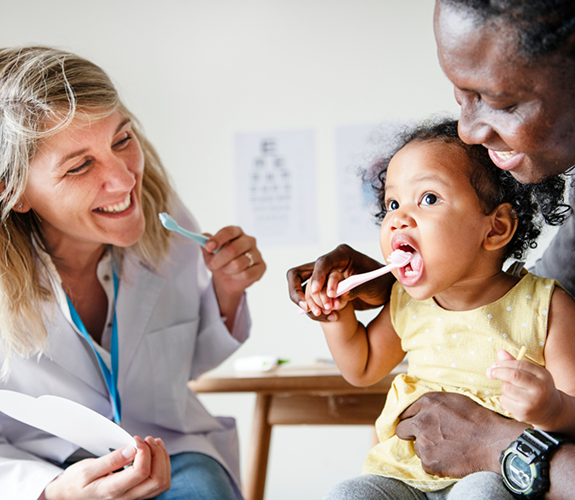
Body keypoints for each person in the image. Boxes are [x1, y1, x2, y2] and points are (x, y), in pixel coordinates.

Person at [287, 1, 575, 498]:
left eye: (428, 199)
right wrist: (337, 314)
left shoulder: (546, 307)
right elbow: (361, 368)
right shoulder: (407, 301)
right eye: (392, 203)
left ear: (495, 228)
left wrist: (548, 411)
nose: (398, 216)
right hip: (400, 477)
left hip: (495, 478)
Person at [0, 46, 265, 500]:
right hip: (35, 470)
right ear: (15, 191)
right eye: (81, 165)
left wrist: (226, 291)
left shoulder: (167, 224)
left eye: (122, 140)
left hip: (172, 453)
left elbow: (185, 362)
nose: (124, 181)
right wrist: (52, 492)